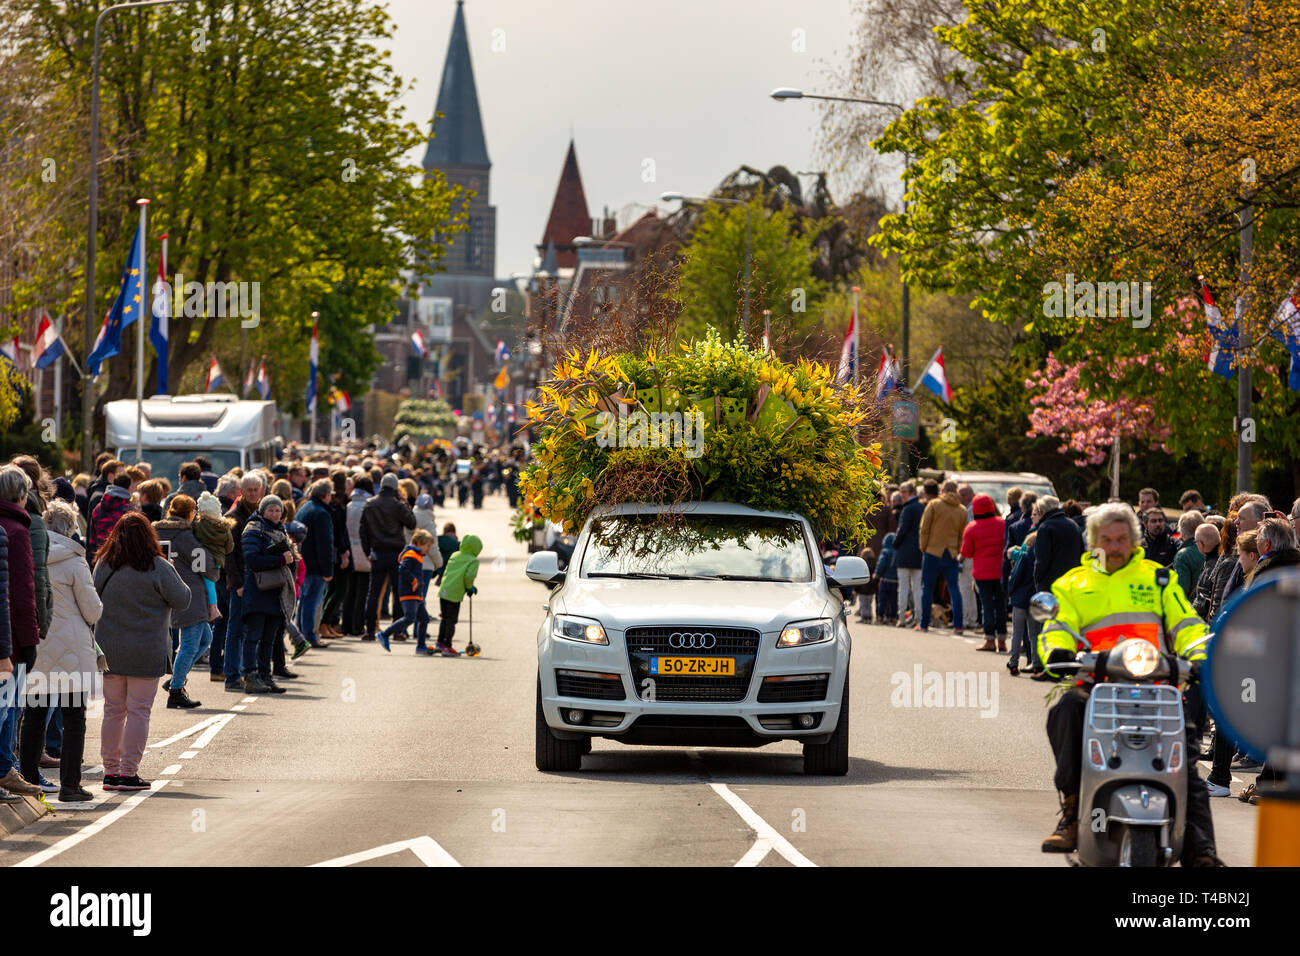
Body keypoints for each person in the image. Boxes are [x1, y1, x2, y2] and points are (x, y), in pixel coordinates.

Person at [1037, 502, 1220, 864]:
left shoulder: (1157, 577)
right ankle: (1072, 812)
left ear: (1133, 539)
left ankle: (1201, 851)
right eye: (1106, 538)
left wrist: (1199, 655)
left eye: (1122, 538)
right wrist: (1056, 651)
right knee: (1066, 710)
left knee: (1185, 754)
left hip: (1156, 685)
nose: (1115, 545)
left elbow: (1185, 623)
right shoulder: (1072, 583)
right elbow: (1056, 626)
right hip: (1096, 682)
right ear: (1093, 541)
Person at [93, 512, 191, 791]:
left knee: (113, 711)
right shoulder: (158, 566)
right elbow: (183, 600)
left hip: (109, 649)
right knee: (138, 712)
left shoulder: (104, 564)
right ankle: (128, 772)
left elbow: (91, 597)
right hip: (147, 650)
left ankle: (110, 771)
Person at [18, 501, 100, 801]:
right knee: (74, 717)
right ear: (71, 526)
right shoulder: (76, 560)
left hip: (38, 644)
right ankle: (69, 784)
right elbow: (92, 611)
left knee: (35, 715)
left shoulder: (31, 553)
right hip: (72, 650)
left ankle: (27, 780)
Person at [152, 495, 220, 709]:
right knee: (190, 645)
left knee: (204, 638)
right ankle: (176, 690)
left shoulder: (155, 531)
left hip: (164, 590)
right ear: (190, 513)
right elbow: (206, 565)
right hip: (190, 593)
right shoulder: (185, 536)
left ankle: (175, 680)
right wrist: (215, 565)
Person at [0, 466, 42, 799]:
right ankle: (3, 770)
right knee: (8, 706)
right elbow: (23, 592)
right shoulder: (17, 531)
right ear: (22, 495)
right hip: (9, 638)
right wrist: (29, 641)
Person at [238, 495, 295, 694]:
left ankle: (265, 676)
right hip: (258, 591)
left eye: (277, 510)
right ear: (262, 511)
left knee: (269, 638)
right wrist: (280, 559)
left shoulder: (281, 530)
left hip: (275, 593)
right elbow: (252, 560)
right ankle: (250, 676)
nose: (274, 514)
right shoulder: (254, 529)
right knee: (253, 636)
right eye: (270, 510)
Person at [221, 473, 265, 692]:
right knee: (235, 629)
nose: (253, 493)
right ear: (241, 492)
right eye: (249, 489)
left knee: (251, 630)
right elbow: (228, 556)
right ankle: (231, 676)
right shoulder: (233, 517)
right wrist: (237, 584)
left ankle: (248, 672)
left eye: (256, 489)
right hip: (240, 583)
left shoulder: (260, 514)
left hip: (257, 582)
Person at [360, 473, 415, 642]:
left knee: (373, 592)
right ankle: (398, 631)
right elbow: (412, 523)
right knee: (398, 592)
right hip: (396, 552)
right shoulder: (397, 505)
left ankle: (369, 630)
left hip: (377, 551)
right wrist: (404, 503)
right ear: (395, 487)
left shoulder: (370, 504)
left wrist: (367, 551)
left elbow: (363, 531)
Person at [918, 480, 966, 633]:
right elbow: (962, 534)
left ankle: (924, 624)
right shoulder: (962, 510)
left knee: (927, 588)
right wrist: (957, 550)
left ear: (943, 490)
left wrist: (923, 547)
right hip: (950, 552)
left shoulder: (934, 505)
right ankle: (958, 625)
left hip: (932, 551)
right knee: (954, 589)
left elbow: (924, 528)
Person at [377, 530, 437, 653]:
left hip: (416, 594)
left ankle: (420, 647)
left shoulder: (417, 555)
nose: (428, 549)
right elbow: (403, 569)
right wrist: (414, 581)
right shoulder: (410, 554)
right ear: (419, 543)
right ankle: (385, 634)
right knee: (409, 618)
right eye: (427, 546)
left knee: (424, 619)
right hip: (409, 593)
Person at [961, 493, 1006, 651]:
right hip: (1001, 571)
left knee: (987, 606)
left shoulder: (972, 527)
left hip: (982, 572)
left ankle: (990, 640)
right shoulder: (1002, 523)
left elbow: (966, 552)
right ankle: (1002, 640)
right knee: (1001, 605)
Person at [293, 479, 334, 650]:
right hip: (315, 564)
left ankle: (302, 634)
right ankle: (308, 635)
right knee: (311, 601)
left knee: (304, 600)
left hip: (303, 561)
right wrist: (327, 569)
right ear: (325, 495)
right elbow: (325, 543)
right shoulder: (321, 513)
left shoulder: (304, 508)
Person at [318, 471, 352, 639]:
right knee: (339, 590)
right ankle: (324, 623)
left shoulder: (338, 503)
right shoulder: (337, 505)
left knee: (334, 590)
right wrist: (344, 552)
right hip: (338, 551)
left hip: (338, 549)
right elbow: (339, 531)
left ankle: (328, 623)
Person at [436, 533, 481, 655]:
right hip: (454, 593)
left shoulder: (455, 555)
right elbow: (469, 576)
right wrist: (470, 588)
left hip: (444, 590)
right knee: (452, 620)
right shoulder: (473, 561)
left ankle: (440, 643)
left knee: (445, 618)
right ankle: (447, 646)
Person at [1032, 495, 1084, 596]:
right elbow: (1081, 553)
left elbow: (1041, 560)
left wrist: (1038, 581)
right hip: (1071, 582)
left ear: (1041, 511)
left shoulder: (1045, 528)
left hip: (1050, 585)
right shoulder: (1073, 525)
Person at [343, 476, 373, 637]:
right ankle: (358, 625)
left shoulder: (349, 505)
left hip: (350, 548)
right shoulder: (368, 506)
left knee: (350, 589)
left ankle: (346, 625)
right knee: (363, 590)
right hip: (363, 548)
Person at [1006, 530, 1038, 675]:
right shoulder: (1041, 557)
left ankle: (1013, 663)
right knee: (1033, 633)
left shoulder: (1024, 556)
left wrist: (1010, 591)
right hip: (1034, 599)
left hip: (1020, 598)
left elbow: (1015, 576)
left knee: (1017, 632)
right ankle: (1036, 663)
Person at [893, 481, 924, 627]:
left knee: (904, 587)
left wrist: (895, 543)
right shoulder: (921, 507)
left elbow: (902, 530)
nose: (901, 494)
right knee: (917, 587)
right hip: (919, 552)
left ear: (911, 493)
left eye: (904, 492)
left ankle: (902, 618)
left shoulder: (907, 509)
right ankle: (919, 617)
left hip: (905, 552)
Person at [88, 471, 135, 561]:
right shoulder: (129, 511)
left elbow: (92, 541)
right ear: (129, 488)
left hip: (101, 560)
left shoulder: (97, 508)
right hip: (123, 561)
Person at [954, 483, 980, 631]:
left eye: (964, 494)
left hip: (968, 553)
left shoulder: (969, 509)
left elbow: (967, 535)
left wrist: (962, 555)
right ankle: (971, 618)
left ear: (971, 494)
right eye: (960, 494)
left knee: (964, 587)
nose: (962, 497)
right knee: (970, 588)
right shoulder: (971, 508)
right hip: (973, 553)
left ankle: (965, 618)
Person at [1170, 511, 1207, 598]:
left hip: (1192, 607)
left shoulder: (1182, 556)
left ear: (1182, 533)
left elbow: (1181, 591)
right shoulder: (1213, 547)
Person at [874, 533, 898, 625]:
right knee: (893, 601)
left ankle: (880, 617)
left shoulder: (885, 551)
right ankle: (893, 618)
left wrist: (877, 573)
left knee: (882, 600)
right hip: (896, 581)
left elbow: (881, 564)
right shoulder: (897, 551)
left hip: (885, 580)